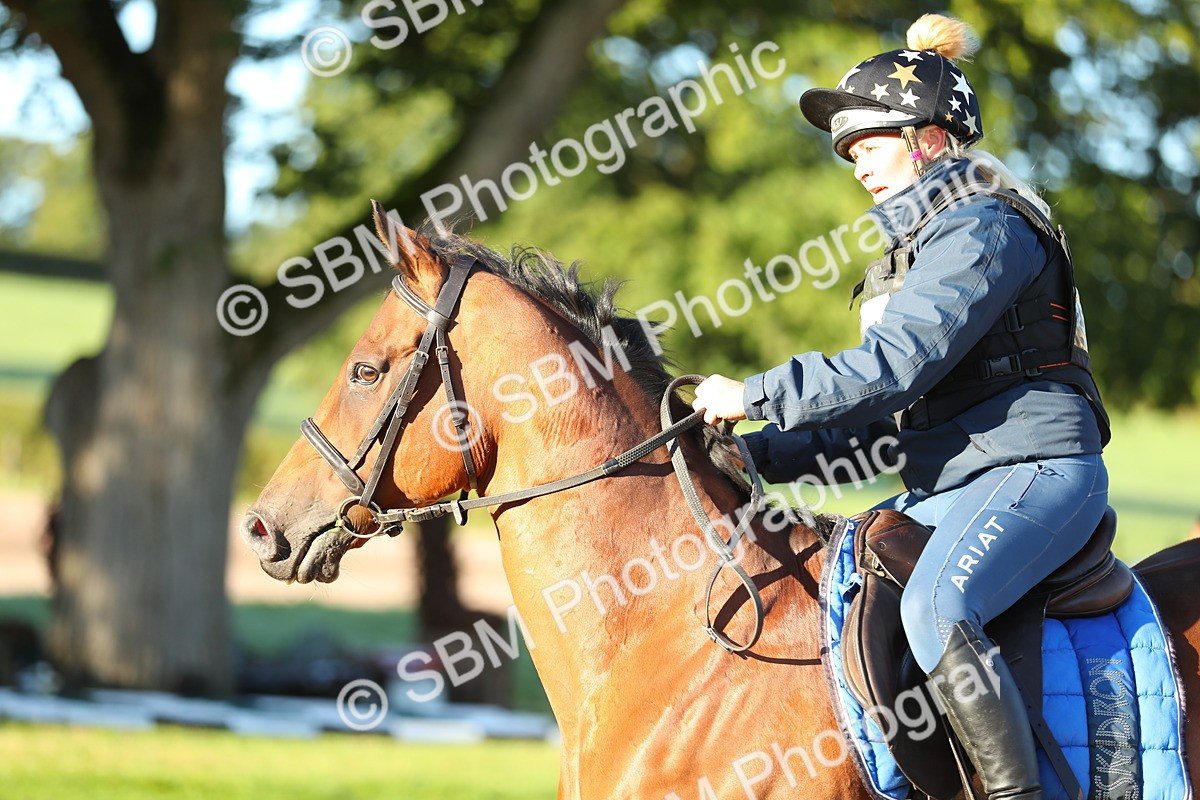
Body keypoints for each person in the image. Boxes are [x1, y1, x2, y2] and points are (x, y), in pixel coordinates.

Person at [692, 14, 1111, 800]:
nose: (855, 165)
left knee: (938, 603)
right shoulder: (910, 253)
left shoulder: (984, 228)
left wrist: (755, 394)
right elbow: (876, 421)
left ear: (928, 137)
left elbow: (894, 367)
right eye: (847, 152)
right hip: (948, 483)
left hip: (1038, 472)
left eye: (869, 145)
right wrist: (746, 453)